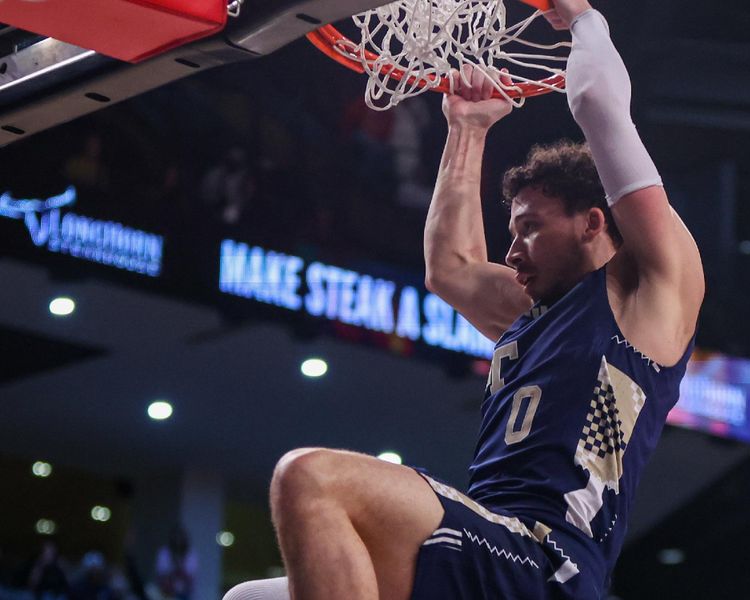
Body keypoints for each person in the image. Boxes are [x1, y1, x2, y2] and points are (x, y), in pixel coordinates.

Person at [223, 0, 704, 598]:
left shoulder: (648, 293)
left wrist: (582, 19)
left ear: (591, 222)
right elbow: (450, 269)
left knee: (311, 477)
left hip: (544, 559)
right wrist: (468, 128)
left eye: (529, 228)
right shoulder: (536, 315)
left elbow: (599, 105)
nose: (513, 252)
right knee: (247, 598)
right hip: (489, 550)